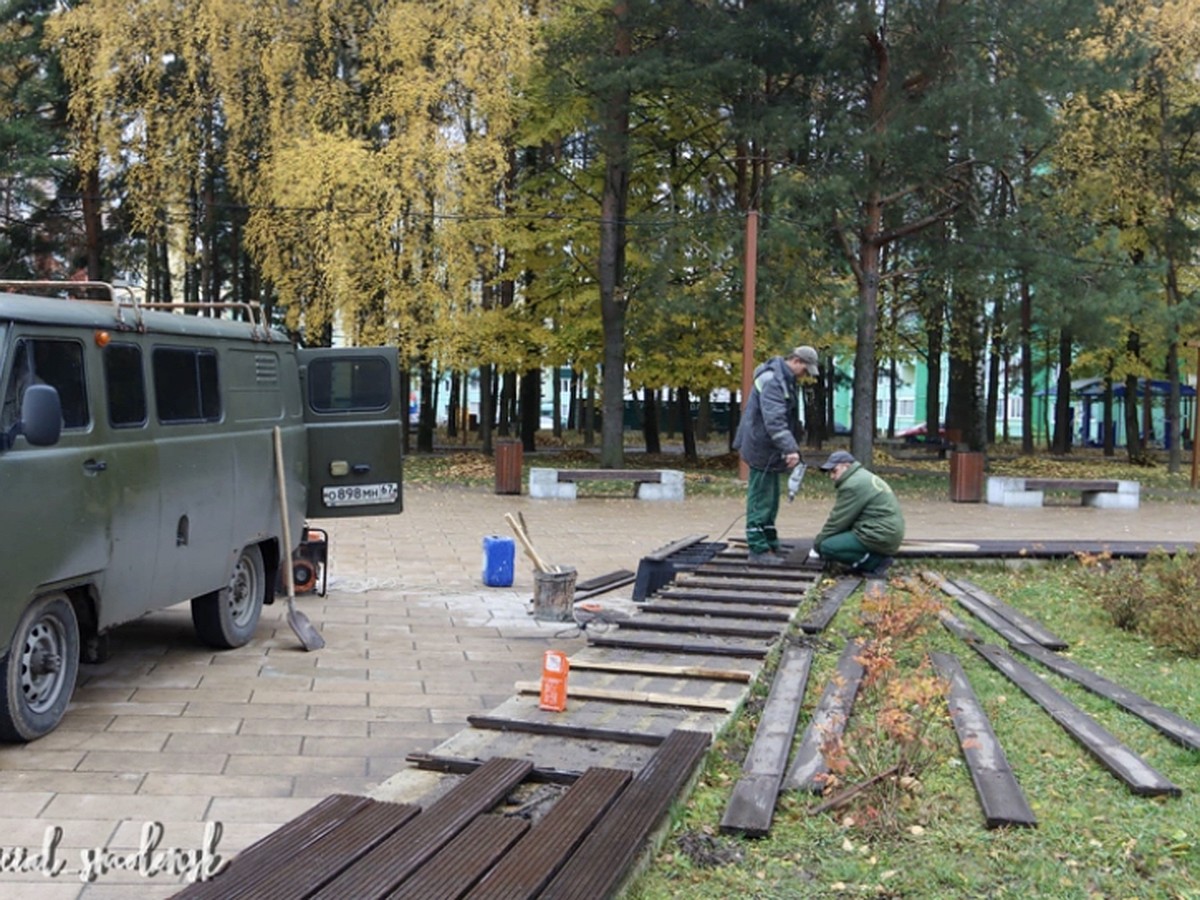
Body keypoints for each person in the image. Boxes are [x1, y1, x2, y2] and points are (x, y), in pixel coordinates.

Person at [732, 345, 820, 565]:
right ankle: (758, 548)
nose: (805, 375)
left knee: (770, 498)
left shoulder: (784, 379)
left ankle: (769, 541)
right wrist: (790, 448)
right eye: (805, 370)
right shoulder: (773, 380)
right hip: (761, 447)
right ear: (797, 361)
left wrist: (790, 446)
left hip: (770, 448)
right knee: (760, 497)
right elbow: (775, 420)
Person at [811, 450, 905, 576]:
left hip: (879, 534)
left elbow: (838, 521)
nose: (832, 476)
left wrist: (817, 546)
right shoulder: (862, 476)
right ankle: (872, 557)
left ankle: (875, 562)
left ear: (847, 466)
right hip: (888, 532)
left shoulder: (852, 485)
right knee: (835, 540)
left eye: (834, 471)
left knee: (827, 547)